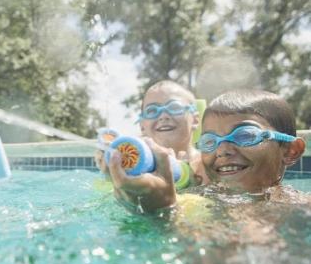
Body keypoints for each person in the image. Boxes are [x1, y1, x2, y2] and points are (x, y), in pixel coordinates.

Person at [109, 89, 307, 212]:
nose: (222, 150)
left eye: (245, 135)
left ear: (290, 150)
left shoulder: (301, 208)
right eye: (210, 141)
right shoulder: (197, 199)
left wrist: (163, 213)